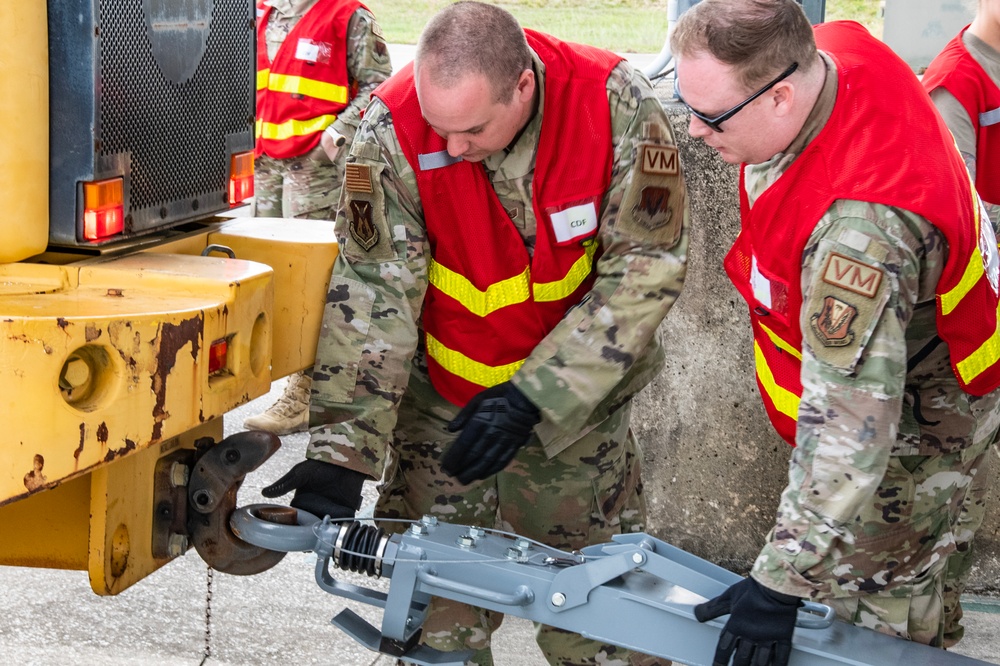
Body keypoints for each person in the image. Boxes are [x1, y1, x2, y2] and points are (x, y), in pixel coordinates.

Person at [261, 2, 689, 664]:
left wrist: (537, 396)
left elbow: (645, 271)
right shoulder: (395, 128)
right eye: (441, 128)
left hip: (571, 423)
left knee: (601, 619)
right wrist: (341, 454)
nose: (452, 149)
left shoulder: (613, 108)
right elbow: (375, 295)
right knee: (434, 618)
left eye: (472, 130)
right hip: (439, 412)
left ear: (523, 86)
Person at [670, 1, 1000, 664]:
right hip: (908, 360)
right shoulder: (831, 47)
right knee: (915, 564)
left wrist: (779, 581)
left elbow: (852, 430)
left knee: (881, 608)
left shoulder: (863, 236)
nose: (695, 130)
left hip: (918, 413)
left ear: (783, 96)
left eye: (709, 116)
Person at [245, 0, 393, 435]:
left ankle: (307, 392)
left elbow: (379, 87)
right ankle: (275, 373)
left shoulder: (347, 15)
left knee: (313, 281)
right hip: (265, 165)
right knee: (262, 271)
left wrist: (338, 133)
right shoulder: (261, 13)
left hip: (316, 170)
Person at [922, 0, 1000, 648]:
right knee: (947, 491)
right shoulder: (956, 85)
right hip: (965, 331)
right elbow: (964, 226)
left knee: (964, 494)